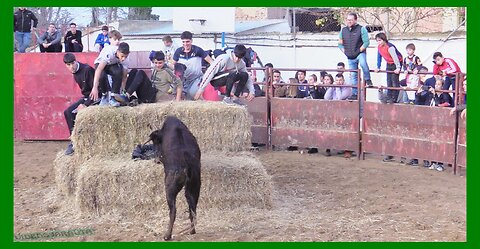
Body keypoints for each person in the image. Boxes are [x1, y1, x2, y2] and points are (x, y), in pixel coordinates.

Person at [62, 53, 100, 155]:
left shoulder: (87, 69)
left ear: (75, 61)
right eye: (68, 65)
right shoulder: (75, 72)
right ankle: (74, 141)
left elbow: (97, 91)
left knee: (76, 112)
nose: (71, 67)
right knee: (67, 112)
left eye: (72, 64)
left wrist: (86, 104)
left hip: (96, 99)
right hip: (86, 98)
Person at [338, 12, 373, 100]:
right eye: (347, 20)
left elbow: (366, 42)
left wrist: (359, 51)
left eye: (351, 20)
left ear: (355, 20)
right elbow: (340, 44)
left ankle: (368, 79)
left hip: (360, 53)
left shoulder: (361, 29)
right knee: (353, 75)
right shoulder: (343, 30)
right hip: (350, 56)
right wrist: (345, 51)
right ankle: (355, 93)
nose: (349, 21)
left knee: (363, 63)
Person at [90, 30, 130, 107]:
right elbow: (99, 70)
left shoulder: (126, 59)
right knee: (102, 75)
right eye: (122, 56)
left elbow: (124, 77)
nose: (123, 59)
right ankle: (104, 95)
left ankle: (113, 97)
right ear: (117, 51)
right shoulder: (109, 52)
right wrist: (94, 87)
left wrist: (122, 90)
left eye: (125, 57)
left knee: (118, 71)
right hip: (101, 63)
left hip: (112, 64)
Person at [171, 31, 213, 100]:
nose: (185, 44)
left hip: (196, 78)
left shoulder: (198, 50)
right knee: (182, 96)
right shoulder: (178, 51)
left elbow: (211, 62)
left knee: (192, 93)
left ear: (191, 41)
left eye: (187, 41)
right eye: (183, 42)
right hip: (184, 79)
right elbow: (172, 65)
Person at [374, 32, 403, 104]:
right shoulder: (379, 47)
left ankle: (394, 98)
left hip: (396, 62)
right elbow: (379, 57)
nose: (378, 42)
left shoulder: (390, 47)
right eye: (377, 41)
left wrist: (398, 67)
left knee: (394, 80)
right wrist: (378, 66)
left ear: (384, 40)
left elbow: (395, 57)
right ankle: (389, 97)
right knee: (388, 80)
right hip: (389, 63)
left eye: (380, 40)